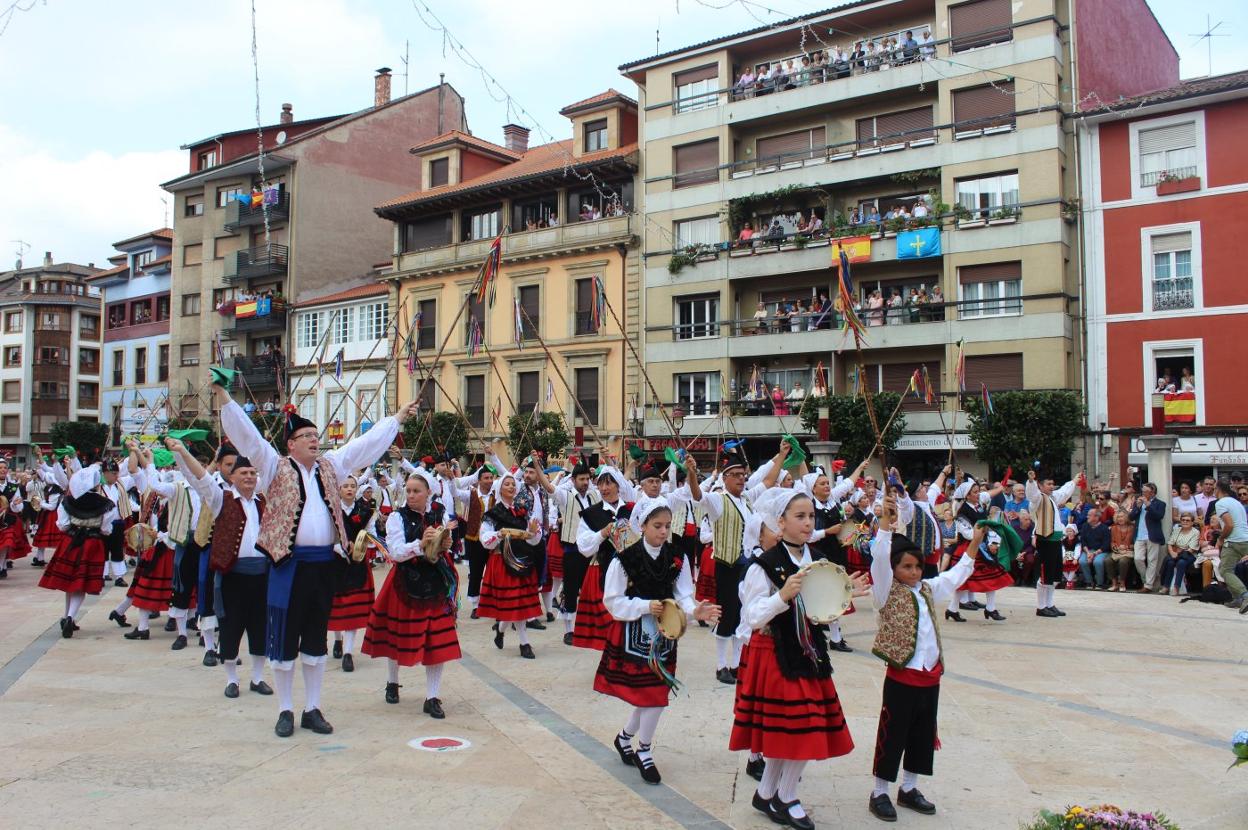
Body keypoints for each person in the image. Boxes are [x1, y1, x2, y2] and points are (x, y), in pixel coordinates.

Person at [216, 380, 415, 738]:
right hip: (287, 566)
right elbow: (248, 438)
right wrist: (226, 399)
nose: (314, 439)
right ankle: (285, 709)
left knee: (315, 639)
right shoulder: (273, 467)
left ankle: (312, 707)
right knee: (283, 642)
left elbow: (363, 447)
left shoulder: (331, 466)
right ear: (290, 444)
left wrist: (396, 420)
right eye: (306, 435)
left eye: (315, 434)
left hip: (323, 565)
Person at [731, 489, 870, 829]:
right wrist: (781, 596)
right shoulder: (763, 565)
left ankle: (768, 794)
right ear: (780, 523)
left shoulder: (819, 560)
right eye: (800, 517)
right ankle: (785, 796)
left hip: (809, 651)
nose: (809, 523)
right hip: (776, 653)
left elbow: (820, 611)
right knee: (798, 728)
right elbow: (751, 617)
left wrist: (844, 590)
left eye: (811, 517)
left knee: (797, 728)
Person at [867, 500, 981, 822]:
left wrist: (973, 544)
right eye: (906, 567)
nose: (914, 572)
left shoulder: (928, 588)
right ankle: (879, 792)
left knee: (921, 735)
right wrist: (887, 525)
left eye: (917, 567)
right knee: (894, 733)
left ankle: (909, 787)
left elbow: (955, 575)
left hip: (930, 676)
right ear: (894, 570)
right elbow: (879, 559)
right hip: (903, 676)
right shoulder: (885, 591)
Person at [596, 497, 719, 785]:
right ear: (642, 525)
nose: (663, 532)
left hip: (665, 633)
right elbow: (612, 601)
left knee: (653, 694)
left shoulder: (677, 556)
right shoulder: (624, 558)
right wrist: (643, 605)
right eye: (657, 526)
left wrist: (694, 610)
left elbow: (683, 594)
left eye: (666, 526)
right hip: (633, 633)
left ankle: (626, 739)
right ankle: (644, 751)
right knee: (652, 695)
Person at [169, 438, 272, 699]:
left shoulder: (263, 501)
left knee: (260, 627)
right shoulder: (220, 498)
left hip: (262, 575)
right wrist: (182, 452)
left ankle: (258, 678)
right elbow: (200, 477)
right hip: (232, 576)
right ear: (232, 476)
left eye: (252, 473)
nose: (249, 477)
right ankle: (232, 679)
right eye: (243, 473)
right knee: (231, 627)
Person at [363, 470, 461, 717]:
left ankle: (432, 696)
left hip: (436, 581)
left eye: (417, 491)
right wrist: (421, 544)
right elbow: (395, 552)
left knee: (436, 640)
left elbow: (444, 543)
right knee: (397, 636)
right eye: (408, 490)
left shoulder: (439, 513)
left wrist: (444, 543)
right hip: (406, 582)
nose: (411, 495)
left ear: (428, 492)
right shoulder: (397, 516)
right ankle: (392, 681)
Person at [703, 445, 784, 684]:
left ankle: (738, 664)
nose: (741, 479)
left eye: (742, 475)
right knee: (726, 616)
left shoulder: (748, 498)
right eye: (735, 475)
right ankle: (721, 666)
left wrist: (782, 454)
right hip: (727, 565)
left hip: (747, 566)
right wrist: (690, 474)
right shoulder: (718, 500)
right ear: (725, 477)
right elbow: (698, 495)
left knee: (743, 614)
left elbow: (769, 480)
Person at [38, 462, 118, 636]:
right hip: (93, 544)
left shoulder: (68, 501)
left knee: (70, 582)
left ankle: (68, 617)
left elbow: (63, 525)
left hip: (71, 542)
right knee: (80, 584)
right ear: (97, 483)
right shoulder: (107, 504)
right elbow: (105, 529)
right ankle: (70, 617)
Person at [478, 468, 545, 657]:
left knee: (518, 604)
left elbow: (534, 539)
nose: (511, 486)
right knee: (513, 604)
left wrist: (533, 532)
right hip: (503, 561)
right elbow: (485, 540)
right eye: (507, 484)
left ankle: (500, 629)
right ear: (499, 489)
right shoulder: (493, 514)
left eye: (513, 484)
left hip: (523, 561)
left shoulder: (522, 512)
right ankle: (524, 643)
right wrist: (499, 534)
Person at [328, 475, 376, 672]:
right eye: (345, 486)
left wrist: (361, 544)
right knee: (336, 605)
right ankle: (337, 640)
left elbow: (371, 534)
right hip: (334, 562)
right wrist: (338, 546)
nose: (349, 489)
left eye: (352, 486)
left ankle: (348, 652)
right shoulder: (330, 510)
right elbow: (326, 533)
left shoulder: (365, 511)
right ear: (338, 489)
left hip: (357, 562)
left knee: (352, 609)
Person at [551, 459, 600, 645]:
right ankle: (569, 630)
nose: (585, 482)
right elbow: (549, 488)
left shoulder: (594, 496)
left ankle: (591, 625)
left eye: (587, 478)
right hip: (572, 549)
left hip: (593, 550)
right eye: (582, 479)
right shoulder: (566, 496)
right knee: (571, 590)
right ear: (573, 480)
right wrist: (539, 468)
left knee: (592, 588)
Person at [1025, 469, 1081, 617]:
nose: (1051, 486)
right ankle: (1041, 606)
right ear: (1040, 485)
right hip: (1045, 540)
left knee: (1054, 576)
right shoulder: (1037, 498)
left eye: (1052, 484)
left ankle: (1049, 604)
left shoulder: (1052, 497)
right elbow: (1031, 494)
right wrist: (1030, 482)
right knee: (1044, 575)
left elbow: (1064, 492)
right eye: (1048, 484)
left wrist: (1074, 481)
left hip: (1056, 540)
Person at [1212, 477, 1248, 611]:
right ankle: (1237, 598)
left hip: (1233, 541)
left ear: (1218, 489)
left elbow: (1230, 524)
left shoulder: (1220, 503)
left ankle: (1244, 596)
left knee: (1225, 570)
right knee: (1229, 569)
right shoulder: (1237, 502)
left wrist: (1220, 538)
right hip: (1245, 539)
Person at [1129, 482, 1166, 593]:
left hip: (1152, 535)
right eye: (1143, 491)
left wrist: (1148, 505)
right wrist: (1138, 507)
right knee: (1138, 559)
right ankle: (1147, 581)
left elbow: (1159, 516)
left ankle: (1148, 586)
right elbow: (1131, 517)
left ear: (1152, 492)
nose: (1143, 493)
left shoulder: (1160, 504)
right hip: (1139, 535)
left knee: (1152, 560)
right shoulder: (1138, 502)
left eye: (1145, 491)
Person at [1162, 512, 1199, 596]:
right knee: (1170, 562)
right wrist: (1172, 552)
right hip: (1176, 553)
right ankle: (1166, 586)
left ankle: (1176, 587)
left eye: (1188, 520)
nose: (1185, 522)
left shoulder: (1195, 532)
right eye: (1183, 520)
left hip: (1188, 555)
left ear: (1192, 523)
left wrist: (1179, 551)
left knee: (1181, 563)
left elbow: (1191, 549)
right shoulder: (1177, 530)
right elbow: (1170, 543)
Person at [1077, 508, 1112, 589]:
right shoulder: (1085, 526)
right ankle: (1089, 582)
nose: (1087, 517)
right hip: (1088, 550)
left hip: (1101, 551)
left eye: (1089, 515)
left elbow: (1106, 544)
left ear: (1096, 517)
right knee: (1082, 561)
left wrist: (1094, 553)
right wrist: (1088, 553)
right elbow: (1083, 541)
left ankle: (1100, 583)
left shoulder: (1104, 528)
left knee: (1098, 562)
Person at [1108, 510, 1135, 591]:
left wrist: (1126, 547)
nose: (1120, 519)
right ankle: (1114, 583)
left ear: (1126, 517)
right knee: (1107, 560)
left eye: (1122, 516)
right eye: (1118, 517)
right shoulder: (1113, 528)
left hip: (1128, 551)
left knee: (1123, 561)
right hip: (1117, 551)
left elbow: (1136, 543)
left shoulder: (1132, 528)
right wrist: (1117, 548)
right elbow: (1112, 542)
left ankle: (1122, 583)